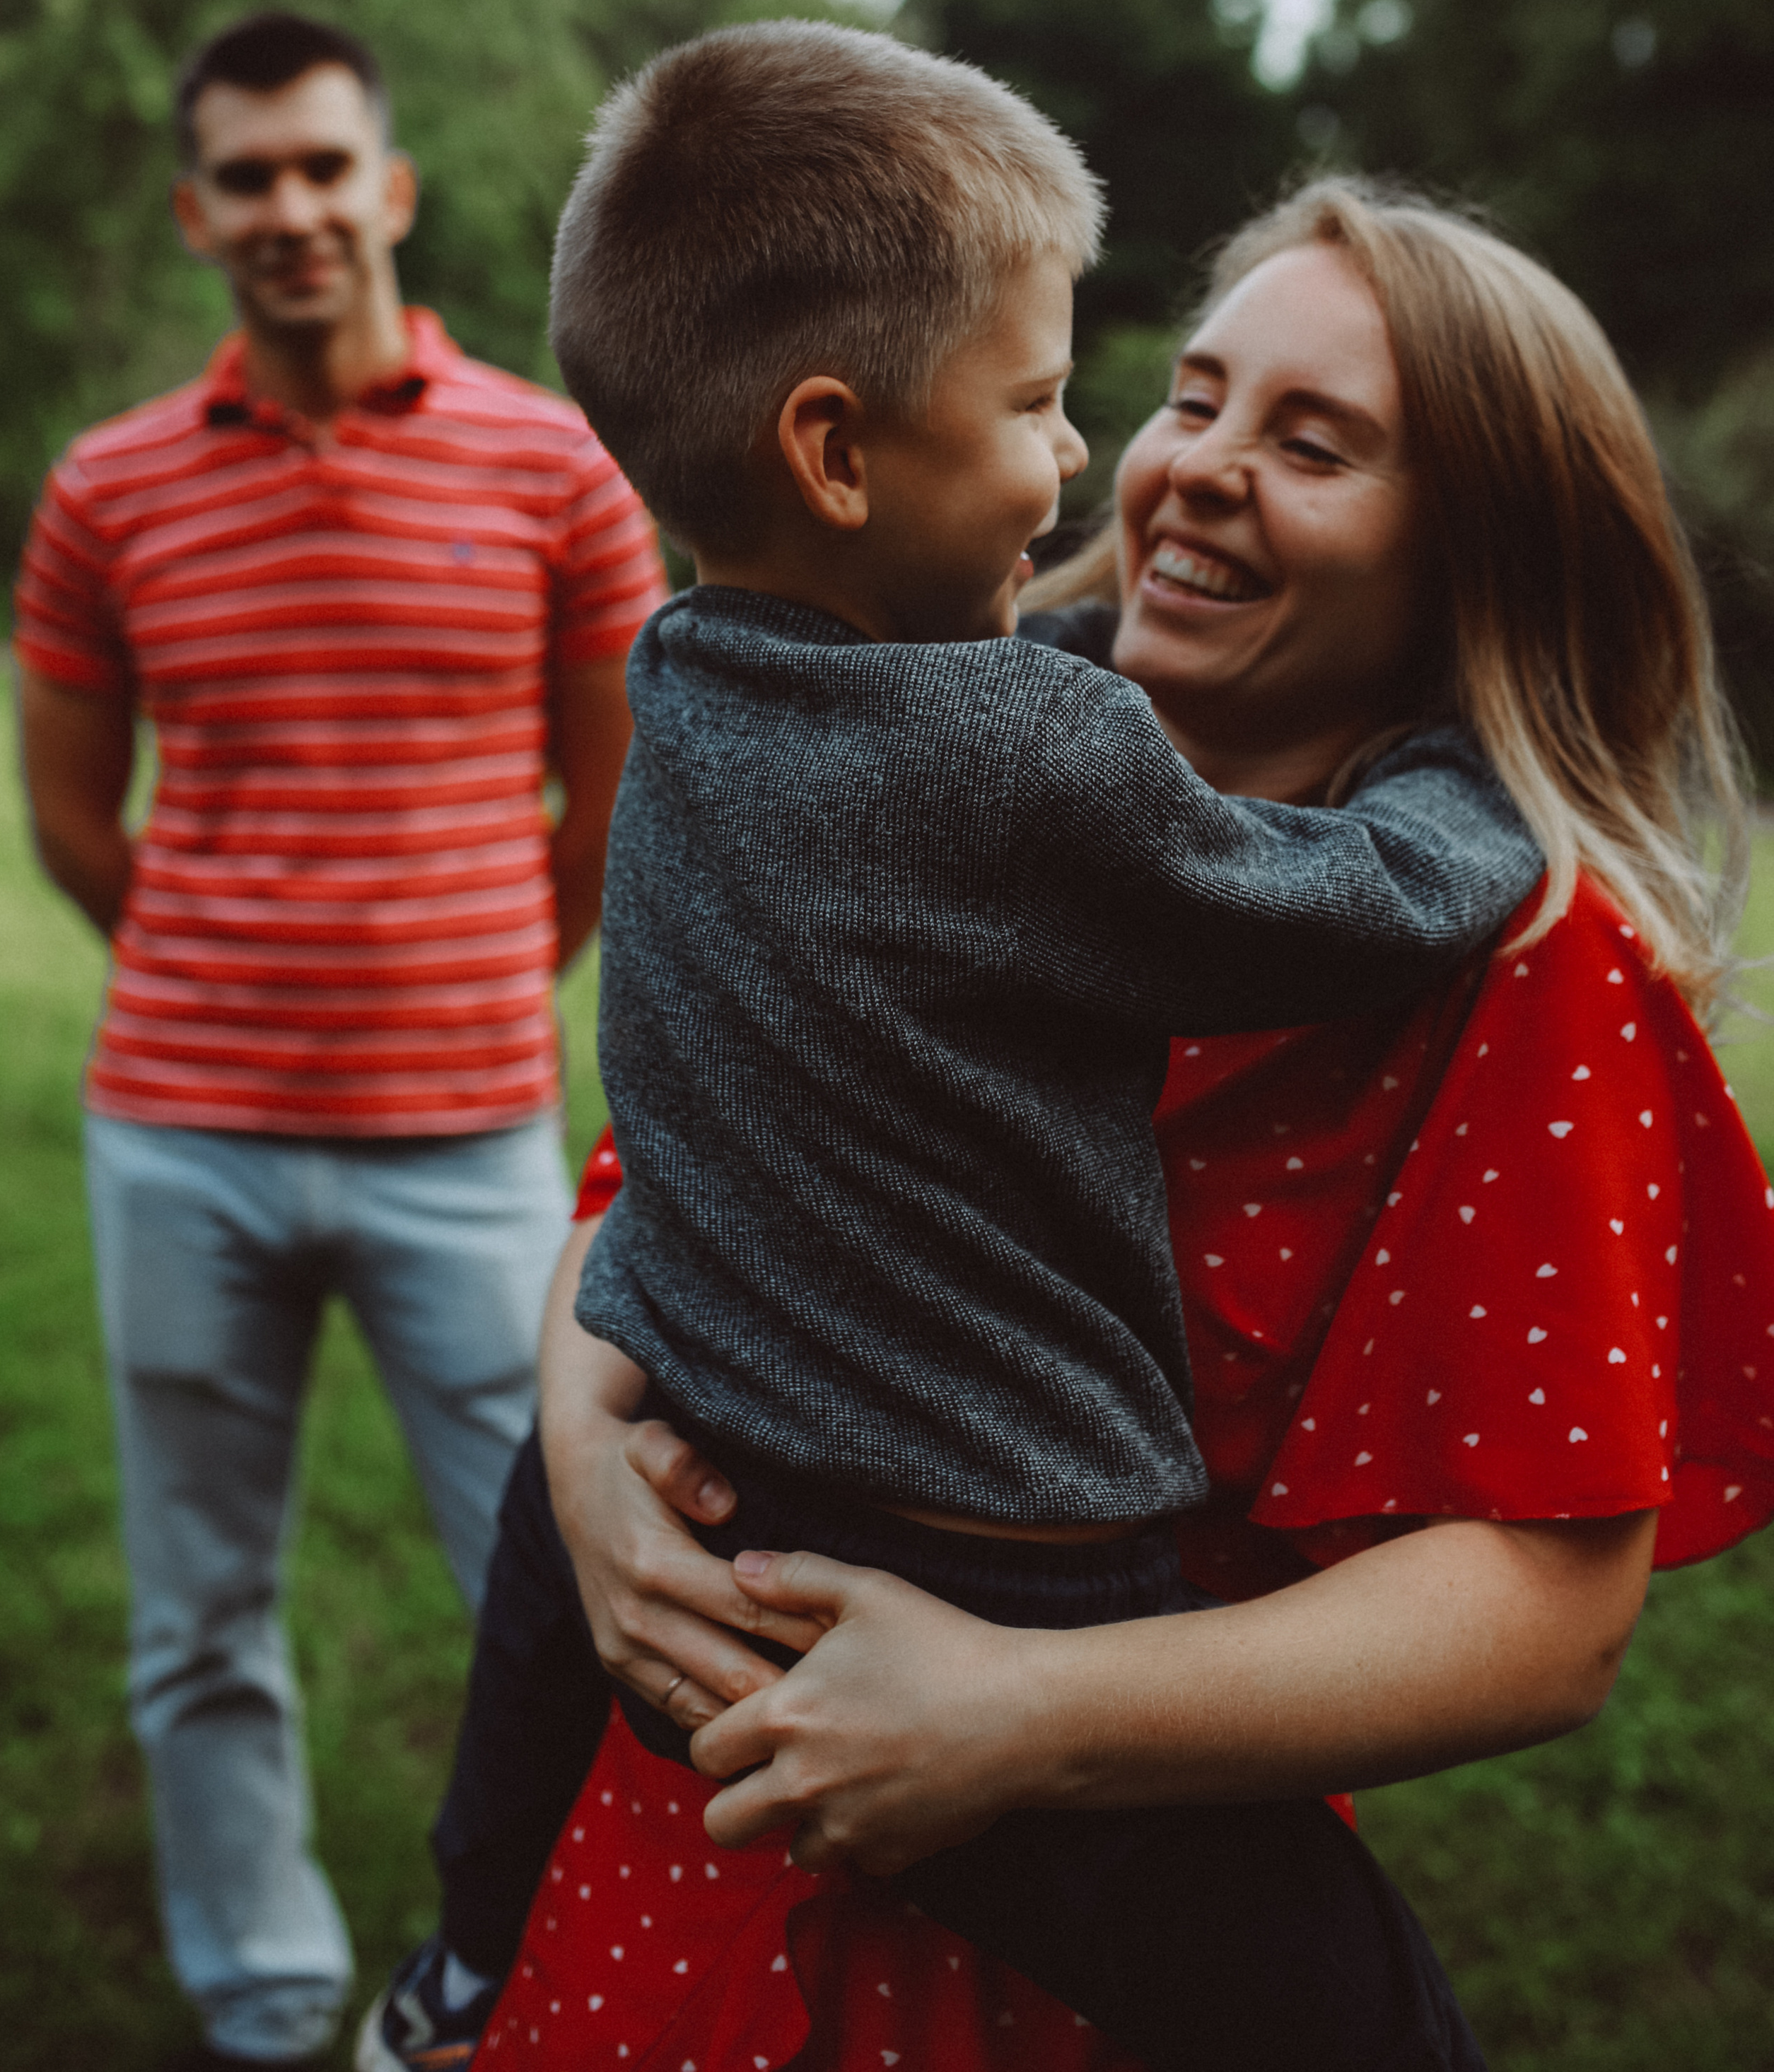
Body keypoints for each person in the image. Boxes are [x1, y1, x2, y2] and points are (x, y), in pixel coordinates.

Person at [474, 177, 1774, 2072]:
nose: (1196, 467)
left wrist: (1017, 1709)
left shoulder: (1525, 959)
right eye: (1194, 398)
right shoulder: (915, 750)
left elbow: (1543, 1610)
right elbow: (655, 1184)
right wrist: (586, 1461)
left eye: (1313, 443)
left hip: (1088, 1923)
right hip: (687, 1860)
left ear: (1473, 558)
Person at [13, 11, 667, 2068]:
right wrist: (220, 960)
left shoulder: (558, 462)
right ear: (197, 209)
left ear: (388, 188)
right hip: (180, 1139)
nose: (289, 209)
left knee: (561, 1570)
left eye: (322, 166)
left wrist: (468, 976)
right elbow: (65, 813)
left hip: (467, 1135)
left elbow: (612, 804)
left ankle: (540, 1971)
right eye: (246, 176)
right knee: (201, 1603)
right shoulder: (107, 488)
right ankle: (261, 1991)